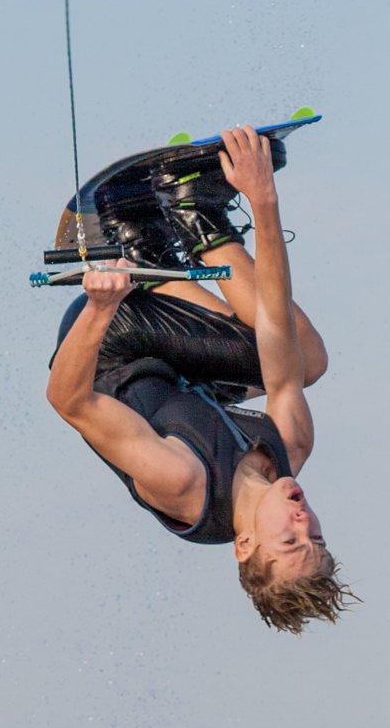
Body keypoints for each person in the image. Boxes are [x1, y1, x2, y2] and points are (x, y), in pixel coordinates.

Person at [45, 126, 355, 634]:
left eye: (289, 542)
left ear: (245, 545)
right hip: (176, 369)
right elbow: (274, 323)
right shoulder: (292, 446)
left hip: (110, 340)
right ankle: (158, 244)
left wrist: (101, 306)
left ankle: (178, 213)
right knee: (305, 359)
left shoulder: (182, 482)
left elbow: (68, 401)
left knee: (299, 359)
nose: (304, 523)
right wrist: (264, 201)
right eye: (316, 539)